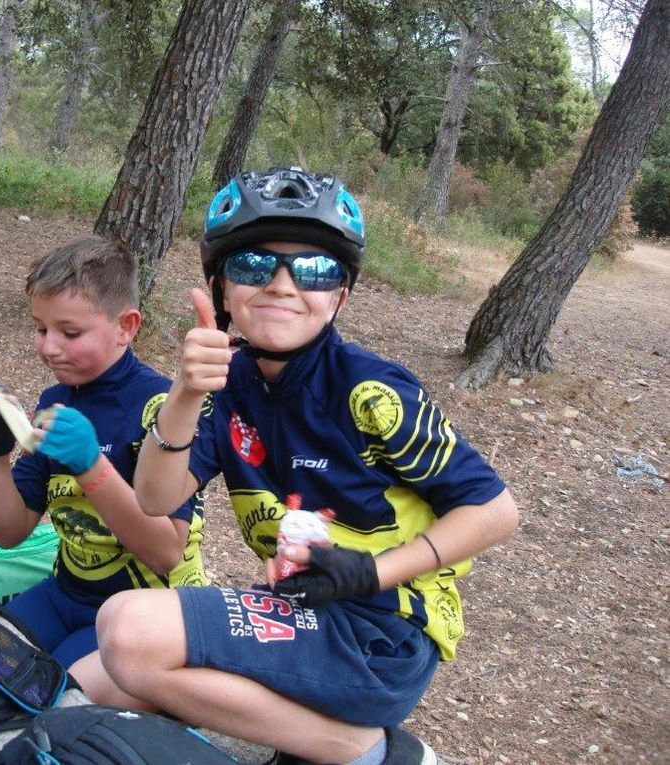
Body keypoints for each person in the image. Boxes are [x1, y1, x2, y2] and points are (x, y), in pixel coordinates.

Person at [95, 168, 520, 764]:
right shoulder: (227, 387)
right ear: (220, 288)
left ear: (339, 296)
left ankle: (359, 749)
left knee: (128, 630)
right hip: (302, 609)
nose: (282, 284)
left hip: (383, 629)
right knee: (96, 677)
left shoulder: (371, 392)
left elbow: (495, 511)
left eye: (315, 269)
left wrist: (372, 574)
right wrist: (185, 395)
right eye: (252, 266)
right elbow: (156, 500)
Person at [0, 236, 206, 703]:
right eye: (40, 329)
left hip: (141, 611)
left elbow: (166, 554)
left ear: (126, 327)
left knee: (45, 696)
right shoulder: (56, 402)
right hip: (67, 592)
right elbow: (10, 533)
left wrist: (91, 466)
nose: (49, 347)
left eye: (70, 333)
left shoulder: (162, 409)